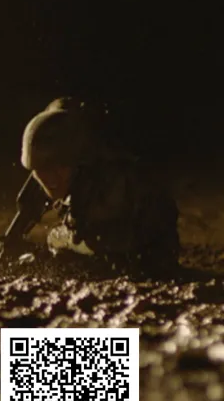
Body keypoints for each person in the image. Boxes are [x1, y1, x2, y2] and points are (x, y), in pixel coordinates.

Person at [13, 99, 180, 275]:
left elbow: (92, 238)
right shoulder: (79, 154)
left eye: (61, 165)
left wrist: (53, 249)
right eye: (42, 168)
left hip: (144, 257)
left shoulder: (108, 182)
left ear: (77, 160)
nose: (51, 177)